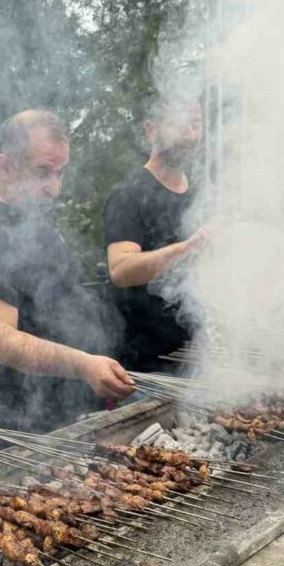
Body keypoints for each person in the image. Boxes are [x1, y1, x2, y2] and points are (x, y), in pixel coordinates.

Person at [0, 110, 134, 434]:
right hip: (7, 430)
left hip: (62, 420)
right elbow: (0, 341)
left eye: (60, 173)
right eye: (42, 172)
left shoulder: (36, 226)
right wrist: (84, 365)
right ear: (4, 167)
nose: (54, 188)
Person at [105, 100, 208, 372]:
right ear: (151, 130)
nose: (190, 135)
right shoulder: (129, 194)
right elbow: (121, 270)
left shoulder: (200, 194)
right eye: (178, 124)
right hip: (145, 367)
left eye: (195, 124)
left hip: (197, 359)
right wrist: (187, 249)